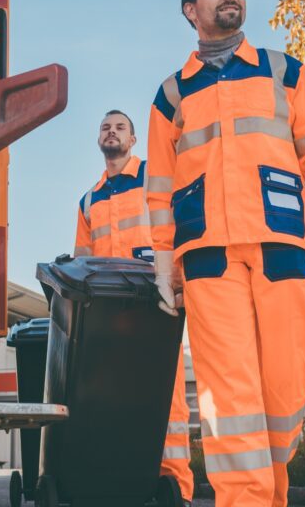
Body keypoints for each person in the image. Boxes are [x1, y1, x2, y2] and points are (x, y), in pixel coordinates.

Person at [145, 0, 305, 507]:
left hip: (280, 249)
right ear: (190, 9)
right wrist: (160, 261)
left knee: (285, 390)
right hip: (208, 261)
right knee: (229, 401)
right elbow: (158, 188)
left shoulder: (285, 71)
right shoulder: (171, 95)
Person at [74, 109, 194, 505]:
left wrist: (178, 281)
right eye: (105, 126)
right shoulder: (88, 200)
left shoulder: (153, 179)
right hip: (109, 312)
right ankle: (120, 485)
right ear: (98, 138)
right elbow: (81, 260)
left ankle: (175, 488)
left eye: (119, 127)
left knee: (168, 400)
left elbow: (179, 226)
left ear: (133, 140)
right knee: (114, 398)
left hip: (155, 300)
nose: (112, 132)